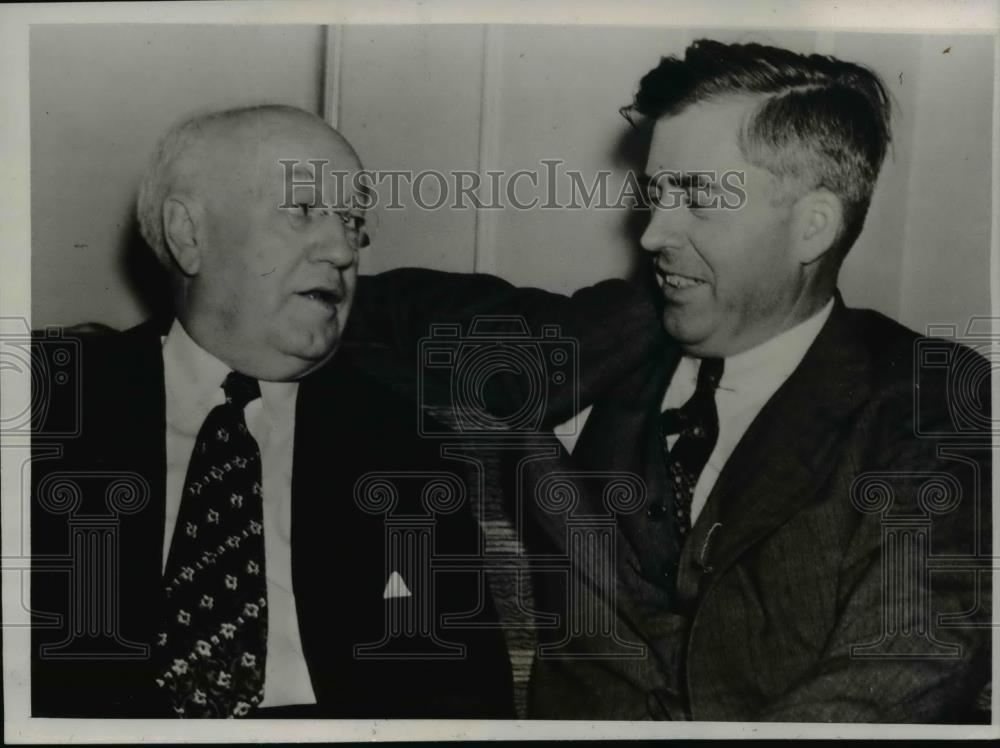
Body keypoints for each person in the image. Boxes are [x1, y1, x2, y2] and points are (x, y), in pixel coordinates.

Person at [523, 39, 992, 722]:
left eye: (697, 197)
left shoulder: (925, 397)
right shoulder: (611, 346)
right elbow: (396, 319)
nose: (652, 235)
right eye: (657, 195)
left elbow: (909, 654)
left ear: (813, 228)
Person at [29, 105, 528, 718]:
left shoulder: (402, 446)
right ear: (189, 234)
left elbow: (467, 701)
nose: (342, 248)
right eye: (303, 209)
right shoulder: (48, 412)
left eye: (353, 220)